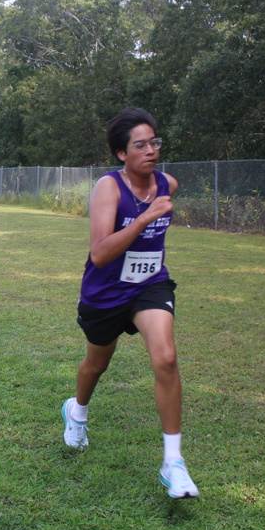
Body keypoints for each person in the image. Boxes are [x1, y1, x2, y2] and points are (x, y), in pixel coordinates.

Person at [61, 107, 199, 499]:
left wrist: (155, 208)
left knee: (166, 358)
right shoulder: (109, 188)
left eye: (154, 142)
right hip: (105, 293)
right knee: (96, 364)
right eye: (140, 145)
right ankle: (77, 412)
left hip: (149, 286)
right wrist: (143, 218)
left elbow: (166, 192)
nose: (150, 150)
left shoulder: (167, 183)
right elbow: (100, 253)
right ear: (122, 153)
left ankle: (173, 462)